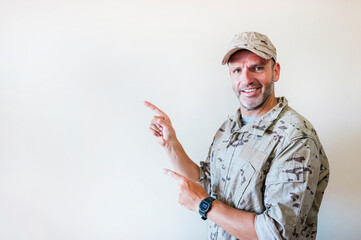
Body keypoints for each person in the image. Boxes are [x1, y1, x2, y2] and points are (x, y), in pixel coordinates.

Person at [145, 32, 329, 240]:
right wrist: (171, 143)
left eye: (257, 68)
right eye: (237, 70)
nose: (246, 79)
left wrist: (202, 204)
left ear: (275, 71)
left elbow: (276, 233)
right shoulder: (229, 127)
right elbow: (207, 182)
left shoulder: (295, 138)